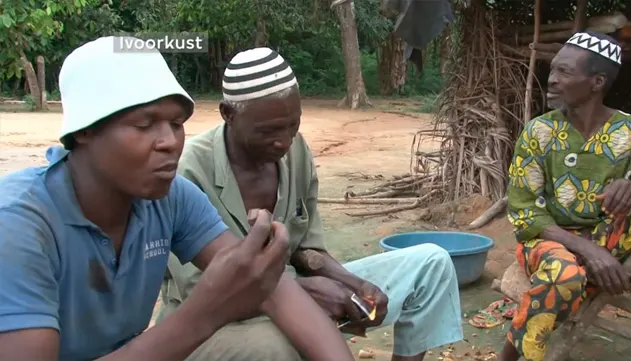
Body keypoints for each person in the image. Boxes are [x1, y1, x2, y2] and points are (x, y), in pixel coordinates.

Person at [0, 36, 356, 361]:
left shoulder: (171, 199)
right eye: (144, 125)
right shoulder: (19, 224)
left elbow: (275, 291)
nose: (170, 141)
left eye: (176, 123)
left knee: (275, 344)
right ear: (85, 131)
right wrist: (206, 312)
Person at [158, 47, 464, 361]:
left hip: (291, 297)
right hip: (216, 324)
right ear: (228, 114)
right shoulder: (187, 171)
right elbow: (204, 290)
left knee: (432, 263)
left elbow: (306, 249)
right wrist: (307, 293)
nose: (284, 141)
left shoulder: (295, 152)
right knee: (279, 345)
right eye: (269, 131)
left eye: (293, 126)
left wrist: (353, 283)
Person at [501, 31, 631, 361]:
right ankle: (515, 355)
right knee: (563, 276)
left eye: (564, 72)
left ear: (596, 81)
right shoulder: (539, 132)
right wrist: (586, 249)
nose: (551, 80)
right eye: (553, 70)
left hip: (611, 245)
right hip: (547, 242)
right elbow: (525, 212)